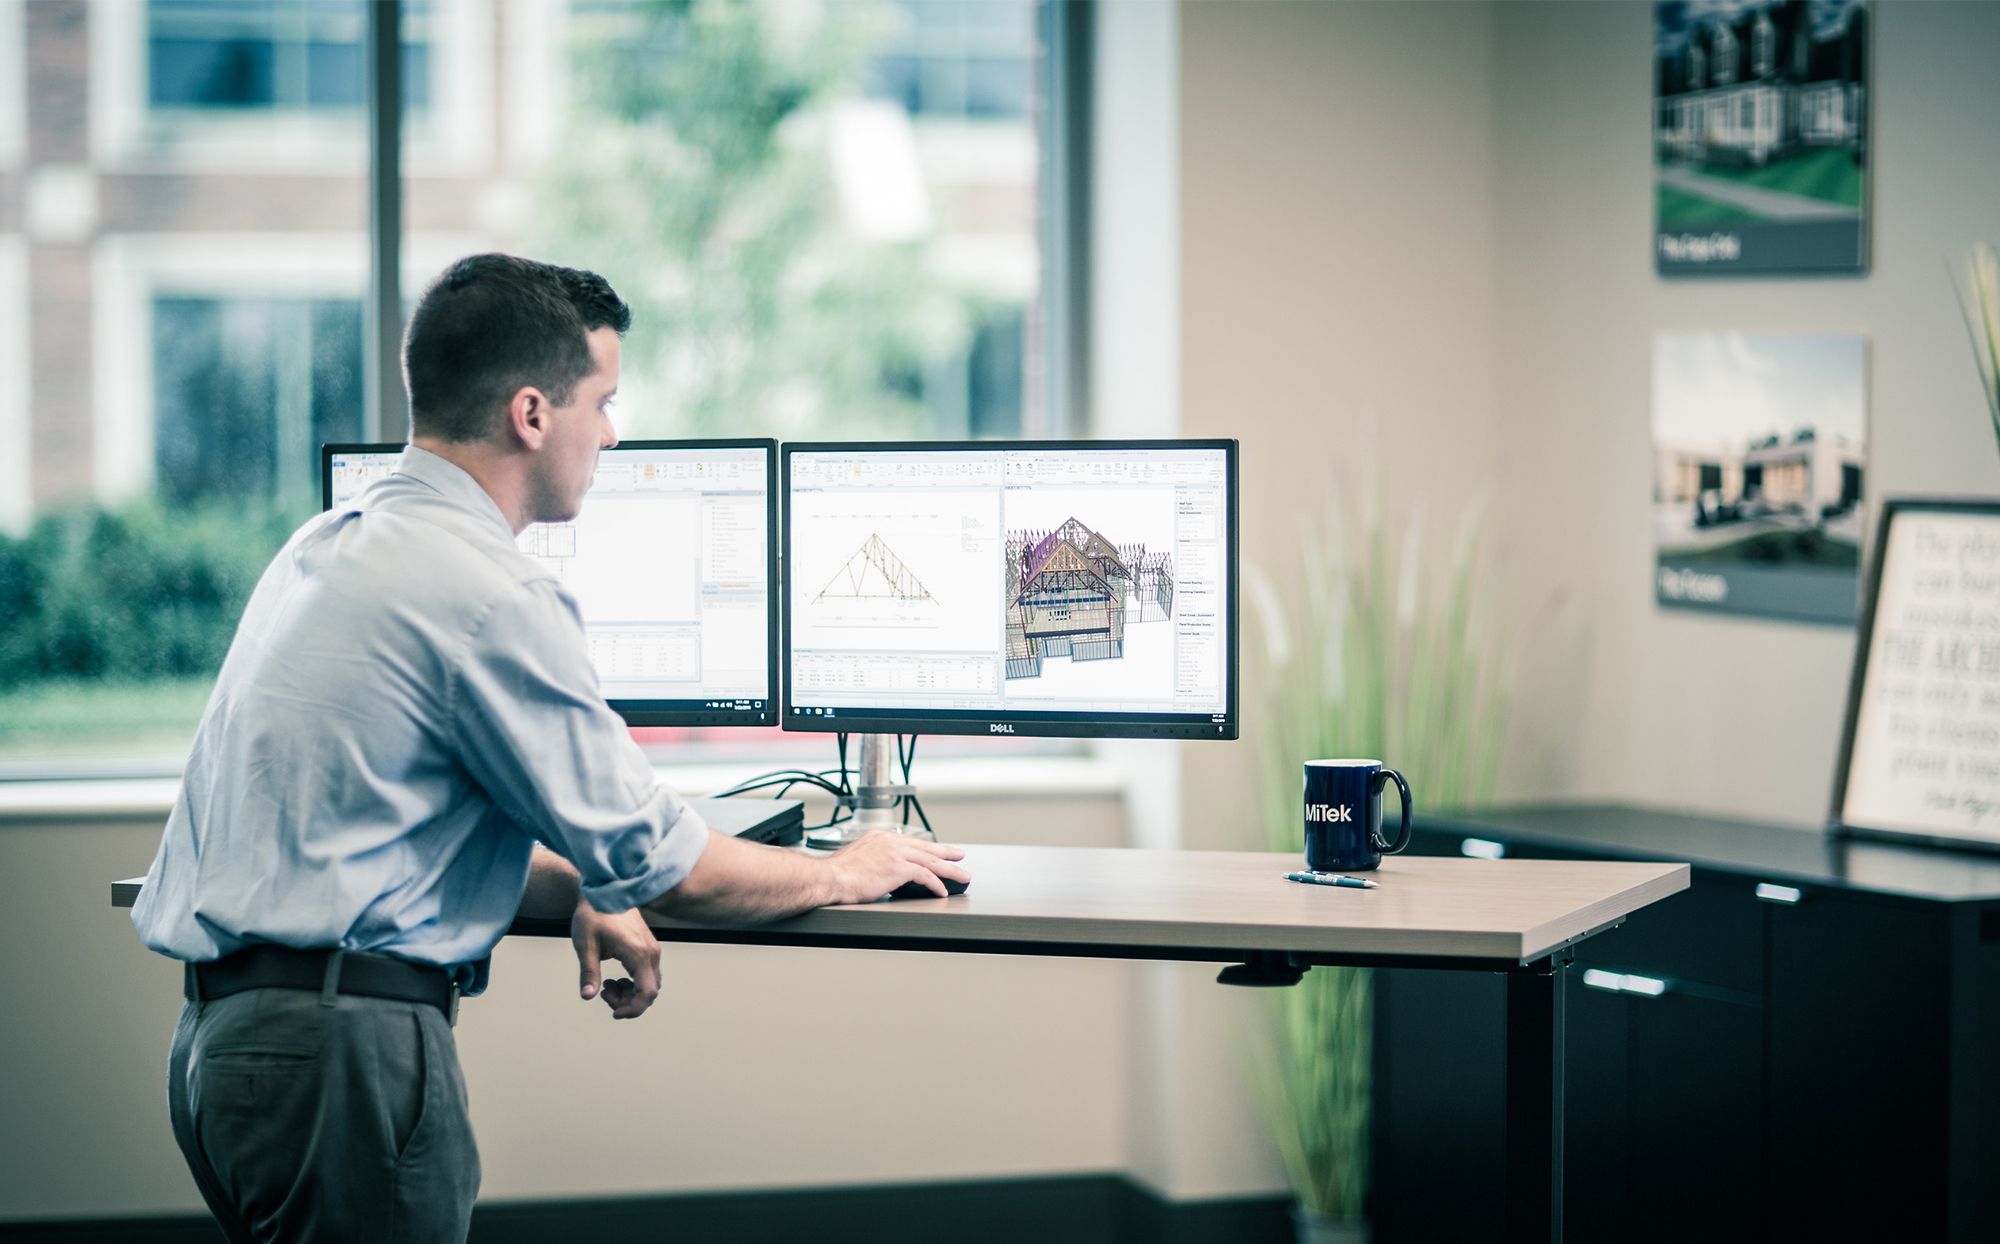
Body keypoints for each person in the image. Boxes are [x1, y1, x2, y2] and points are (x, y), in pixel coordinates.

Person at [130, 253, 968, 1244]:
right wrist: (843, 869)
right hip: (342, 1060)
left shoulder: (324, 543)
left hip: (223, 1052)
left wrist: (586, 887)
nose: (611, 432)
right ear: (532, 414)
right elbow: (676, 871)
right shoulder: (489, 593)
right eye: (603, 402)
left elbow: (384, 835)